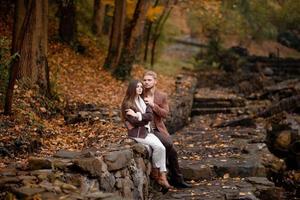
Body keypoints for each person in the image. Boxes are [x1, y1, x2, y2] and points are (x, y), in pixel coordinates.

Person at [143, 70, 192, 188]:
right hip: (146, 129)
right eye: (144, 80)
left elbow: (165, 114)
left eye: (149, 80)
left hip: (158, 128)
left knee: (173, 151)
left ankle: (176, 179)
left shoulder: (162, 96)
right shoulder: (139, 94)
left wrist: (153, 105)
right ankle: (163, 175)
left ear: (155, 81)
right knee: (169, 144)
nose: (146, 82)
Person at [121, 79, 172, 189]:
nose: (139, 88)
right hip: (137, 133)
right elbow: (134, 122)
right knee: (158, 147)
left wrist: (138, 114)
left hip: (147, 131)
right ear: (132, 88)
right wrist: (141, 118)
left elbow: (150, 116)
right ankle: (158, 174)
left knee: (162, 148)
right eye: (137, 87)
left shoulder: (144, 101)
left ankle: (161, 175)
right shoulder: (127, 104)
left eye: (141, 87)